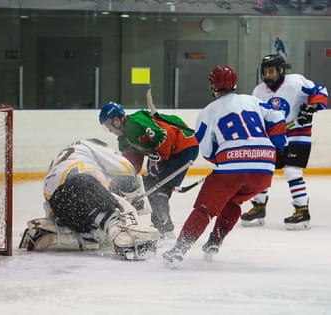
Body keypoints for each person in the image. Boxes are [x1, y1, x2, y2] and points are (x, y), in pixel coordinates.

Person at [162, 65, 287, 266]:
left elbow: (208, 152)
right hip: (264, 168)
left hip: (232, 169)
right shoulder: (253, 100)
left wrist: (223, 159)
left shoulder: (207, 112)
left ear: (213, 85)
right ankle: (215, 241)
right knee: (234, 202)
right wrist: (279, 147)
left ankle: (178, 250)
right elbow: (277, 116)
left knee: (205, 209)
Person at [19, 138, 159, 261]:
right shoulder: (92, 146)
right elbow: (126, 168)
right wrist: (132, 194)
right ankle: (126, 240)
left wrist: (56, 218)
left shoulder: (69, 155)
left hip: (56, 200)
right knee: (116, 213)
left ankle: (53, 232)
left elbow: (68, 196)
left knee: (92, 234)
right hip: (78, 180)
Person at [240, 54, 328, 230]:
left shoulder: (296, 82)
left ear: (280, 70)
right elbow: (257, 116)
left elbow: (321, 91)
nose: (268, 75)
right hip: (277, 136)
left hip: (299, 134)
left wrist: (311, 108)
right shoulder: (258, 92)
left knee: (292, 170)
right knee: (263, 168)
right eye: (265, 72)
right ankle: (259, 206)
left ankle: (302, 210)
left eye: (271, 71)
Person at [98, 102, 199, 237]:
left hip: (184, 147)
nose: (109, 130)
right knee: (148, 185)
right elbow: (131, 165)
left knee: (159, 189)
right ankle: (163, 225)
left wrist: (159, 156)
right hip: (172, 152)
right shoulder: (124, 139)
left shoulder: (135, 122)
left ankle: (164, 228)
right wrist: (118, 183)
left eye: (109, 125)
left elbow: (165, 134)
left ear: (116, 120)